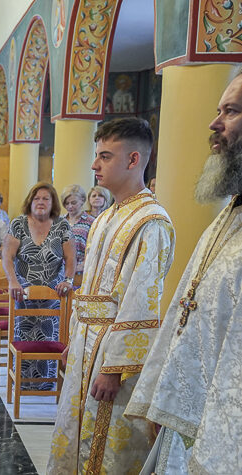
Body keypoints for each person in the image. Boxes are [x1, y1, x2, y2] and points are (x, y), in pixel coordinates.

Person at [125, 71, 242, 473]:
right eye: (218, 110)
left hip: (220, 436)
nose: (214, 122)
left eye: (231, 111)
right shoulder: (229, 213)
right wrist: (165, 396)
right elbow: (186, 308)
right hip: (186, 417)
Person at [48, 118, 175, 474]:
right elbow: (88, 288)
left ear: (133, 160)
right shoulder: (105, 218)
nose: (94, 165)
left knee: (105, 448)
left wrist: (114, 368)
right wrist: (75, 339)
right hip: (86, 346)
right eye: (96, 155)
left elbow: (141, 300)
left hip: (111, 358)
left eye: (105, 156)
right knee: (75, 436)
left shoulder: (151, 222)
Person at [2, 182, 75, 390]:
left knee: (49, 335)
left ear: (52, 203)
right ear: (30, 202)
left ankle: (46, 384)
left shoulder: (62, 225)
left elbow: (71, 258)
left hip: (54, 292)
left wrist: (68, 280)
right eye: (37, 198)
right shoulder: (19, 224)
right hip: (23, 292)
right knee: (24, 333)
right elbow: (8, 256)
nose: (41, 202)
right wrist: (13, 281)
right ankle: (23, 383)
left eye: (46, 198)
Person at [61, 184, 95, 274]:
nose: (69, 206)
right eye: (66, 203)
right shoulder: (59, 221)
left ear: (82, 200)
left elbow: (94, 249)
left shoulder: (91, 221)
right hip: (60, 272)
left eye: (73, 203)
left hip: (81, 271)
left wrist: (82, 266)